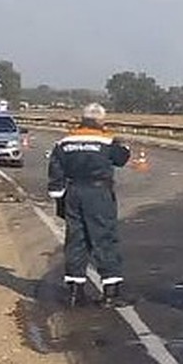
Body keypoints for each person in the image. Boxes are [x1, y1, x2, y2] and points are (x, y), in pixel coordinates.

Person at [47, 103, 132, 306]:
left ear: (82, 119)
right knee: (103, 238)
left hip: (73, 192)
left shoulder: (64, 142)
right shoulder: (107, 140)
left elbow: (55, 171)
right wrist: (123, 144)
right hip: (98, 193)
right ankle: (110, 293)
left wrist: (58, 197)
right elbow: (121, 159)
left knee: (76, 240)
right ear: (101, 120)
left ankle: (75, 293)